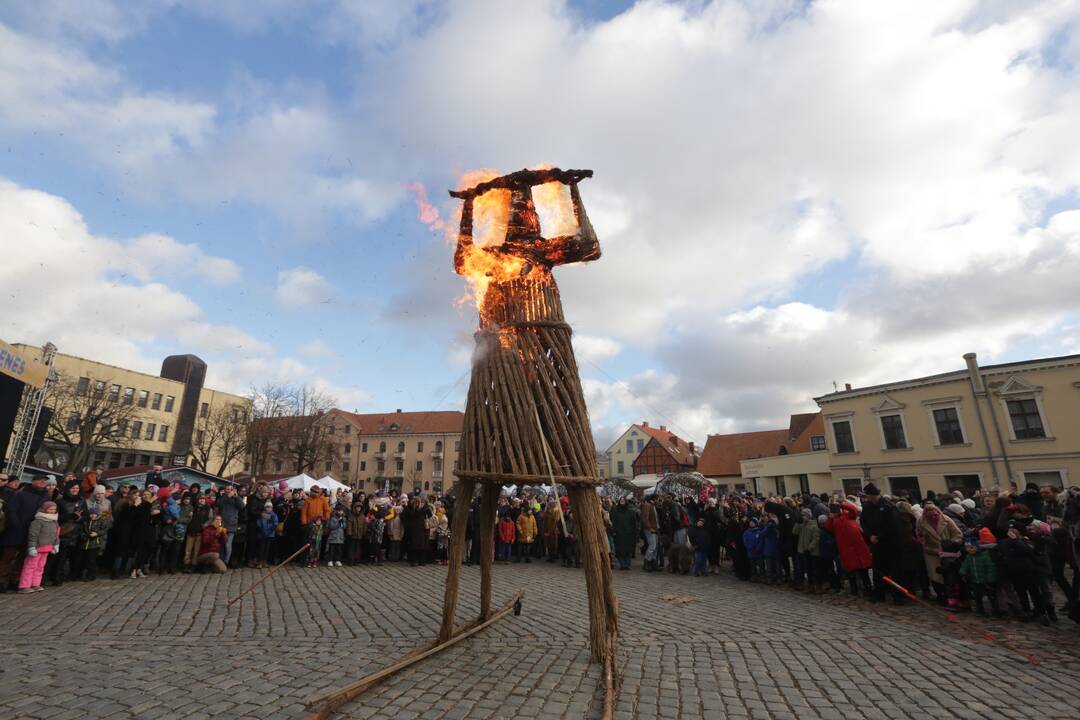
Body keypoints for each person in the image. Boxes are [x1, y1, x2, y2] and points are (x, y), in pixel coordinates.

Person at [0, 474, 49, 592]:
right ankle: (1, 581)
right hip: (16, 530)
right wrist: (16, 524)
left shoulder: (46, 497)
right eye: (40, 480)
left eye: (45, 481)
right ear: (33, 481)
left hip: (32, 533)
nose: (43, 482)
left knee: (22, 559)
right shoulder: (21, 494)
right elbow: (11, 510)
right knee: (8, 557)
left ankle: (15, 581)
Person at [859, 483, 900, 603]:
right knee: (878, 570)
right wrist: (869, 535)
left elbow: (893, 525)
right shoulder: (867, 507)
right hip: (875, 543)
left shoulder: (888, 506)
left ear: (872, 495)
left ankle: (897, 595)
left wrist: (879, 536)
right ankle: (879, 593)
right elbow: (863, 522)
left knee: (894, 570)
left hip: (889, 543)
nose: (865, 497)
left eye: (866, 495)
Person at [917, 504, 963, 604]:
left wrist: (951, 544)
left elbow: (957, 534)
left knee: (949, 574)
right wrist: (925, 541)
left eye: (935, 515)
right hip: (931, 552)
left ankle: (951, 596)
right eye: (931, 516)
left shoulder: (946, 520)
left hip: (948, 552)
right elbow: (920, 539)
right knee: (935, 575)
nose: (934, 517)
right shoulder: (921, 522)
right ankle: (940, 595)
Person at [826, 501, 873, 597]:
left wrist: (842, 503)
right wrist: (831, 516)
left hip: (858, 547)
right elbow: (829, 527)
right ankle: (854, 590)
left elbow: (853, 509)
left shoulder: (848, 515)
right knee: (851, 572)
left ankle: (867, 589)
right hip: (846, 549)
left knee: (863, 570)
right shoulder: (834, 520)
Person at [17, 501, 60, 593]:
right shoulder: (38, 521)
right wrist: (32, 547)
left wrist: (56, 544)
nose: (52, 511)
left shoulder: (54, 521)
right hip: (37, 547)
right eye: (50, 509)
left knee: (40, 566)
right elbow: (33, 534)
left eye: (54, 509)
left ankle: (35, 583)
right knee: (30, 566)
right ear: (45, 509)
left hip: (47, 547)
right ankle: (24, 585)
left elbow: (56, 534)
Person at [74, 506, 111, 581]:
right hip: (84, 543)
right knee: (81, 560)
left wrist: (97, 533)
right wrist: (84, 535)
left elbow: (104, 530)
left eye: (95, 514)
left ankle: (91, 575)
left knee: (91, 560)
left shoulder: (101, 521)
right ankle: (78, 575)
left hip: (95, 544)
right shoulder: (85, 521)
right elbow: (81, 530)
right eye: (91, 514)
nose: (93, 515)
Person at [215, 485, 244, 568]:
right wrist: (228, 497)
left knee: (228, 545)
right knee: (221, 544)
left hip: (232, 524)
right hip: (223, 524)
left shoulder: (236, 498)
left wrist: (236, 497)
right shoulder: (222, 498)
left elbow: (241, 506)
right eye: (227, 489)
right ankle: (220, 561)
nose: (229, 490)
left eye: (231, 489)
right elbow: (219, 504)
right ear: (225, 490)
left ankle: (226, 562)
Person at [609, 497, 638, 571]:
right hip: (619, 534)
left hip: (628, 534)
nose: (622, 501)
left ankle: (627, 564)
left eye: (623, 500)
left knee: (628, 550)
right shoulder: (615, 511)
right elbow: (612, 522)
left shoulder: (630, 511)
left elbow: (634, 523)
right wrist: (613, 531)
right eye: (621, 500)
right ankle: (623, 564)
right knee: (620, 551)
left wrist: (634, 532)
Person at [640, 497, 659, 572]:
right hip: (650, 529)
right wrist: (649, 527)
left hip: (655, 528)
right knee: (652, 546)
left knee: (655, 546)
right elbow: (645, 518)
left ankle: (653, 562)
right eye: (658, 498)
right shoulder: (647, 505)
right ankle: (647, 562)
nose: (658, 499)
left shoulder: (653, 505)